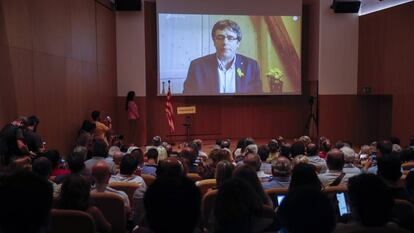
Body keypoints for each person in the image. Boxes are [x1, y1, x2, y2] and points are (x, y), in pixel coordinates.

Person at [183, 19, 262, 95]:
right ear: (214, 42)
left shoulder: (251, 66)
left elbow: (257, 100)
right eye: (220, 37)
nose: (225, 42)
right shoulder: (197, 67)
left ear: (238, 43)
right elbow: (188, 100)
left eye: (230, 38)